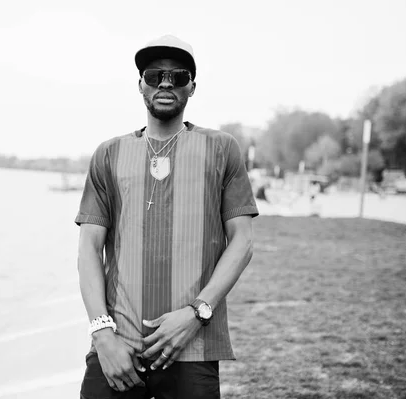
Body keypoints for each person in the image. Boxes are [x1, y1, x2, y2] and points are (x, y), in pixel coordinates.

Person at [75, 34, 259, 399]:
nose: (164, 83)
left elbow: (243, 241)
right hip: (118, 347)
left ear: (192, 87)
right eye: (154, 75)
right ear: (140, 84)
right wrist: (102, 334)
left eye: (177, 77)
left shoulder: (221, 149)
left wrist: (197, 312)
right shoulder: (109, 154)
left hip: (193, 347)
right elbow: (89, 248)